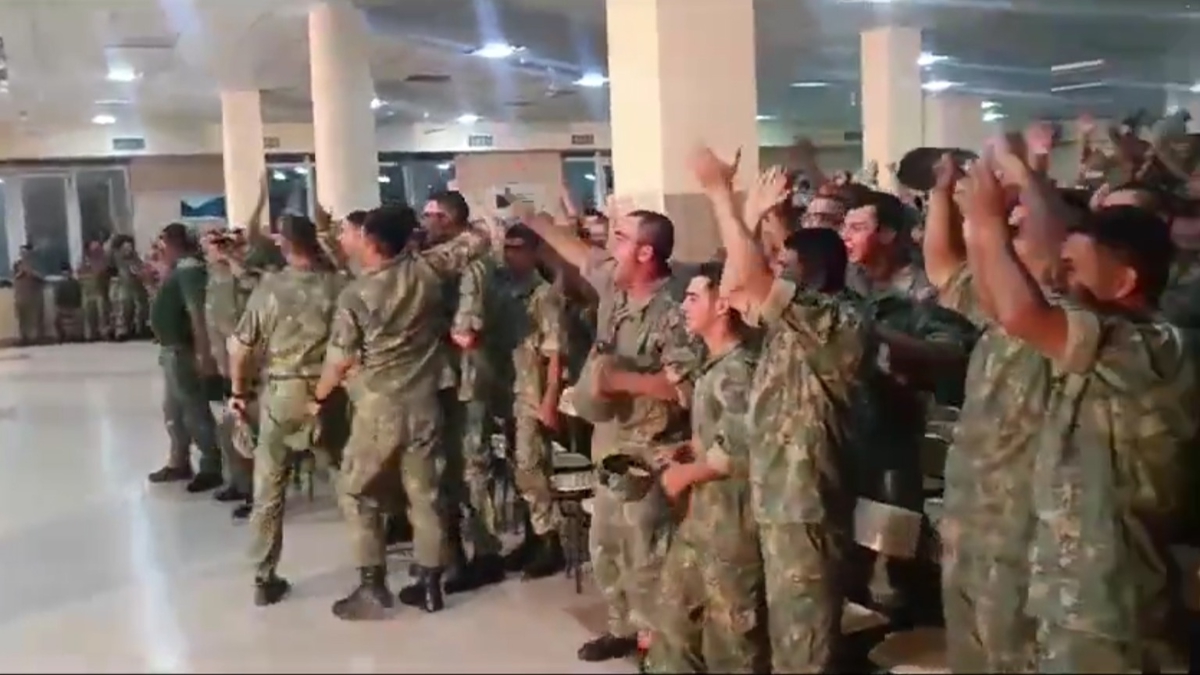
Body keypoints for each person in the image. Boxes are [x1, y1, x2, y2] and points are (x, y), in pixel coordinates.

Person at [958, 158, 1194, 671]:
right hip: (1067, 591)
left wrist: (989, 222)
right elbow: (1003, 307)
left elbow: (1022, 312)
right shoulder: (1093, 339)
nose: (1060, 280)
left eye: (1074, 269)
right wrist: (981, 224)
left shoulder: (1156, 348)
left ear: (1124, 280)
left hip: (1117, 602)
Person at [693, 147, 863, 672]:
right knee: (765, 633)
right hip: (773, 498)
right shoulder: (791, 324)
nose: (776, 274)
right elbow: (733, 290)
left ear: (814, 274)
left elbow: (753, 282)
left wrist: (721, 195)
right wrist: (747, 214)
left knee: (803, 649)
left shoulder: (836, 321)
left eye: (787, 268)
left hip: (806, 508)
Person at [523, 204, 703, 663]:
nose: (609, 245)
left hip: (652, 449)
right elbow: (582, 255)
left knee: (648, 550)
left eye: (620, 238)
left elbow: (684, 388)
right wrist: (538, 222)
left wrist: (620, 380)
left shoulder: (674, 312)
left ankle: (660, 640)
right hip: (611, 443)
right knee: (605, 544)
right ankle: (623, 626)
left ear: (645, 253)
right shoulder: (616, 287)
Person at [922, 138, 1072, 672]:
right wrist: (943, 195)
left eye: (1020, 227)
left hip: (1023, 527)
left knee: (1012, 654)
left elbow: (1049, 252)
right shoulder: (993, 303)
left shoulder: (1065, 316)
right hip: (971, 518)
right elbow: (942, 266)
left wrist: (1022, 176)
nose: (1008, 235)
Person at [310, 205, 490, 621]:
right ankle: (430, 585)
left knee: (357, 492)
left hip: (379, 407)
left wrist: (318, 398)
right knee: (425, 494)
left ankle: (372, 586)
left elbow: (339, 360)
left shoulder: (356, 295)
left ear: (370, 241)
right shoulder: (427, 270)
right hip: (425, 401)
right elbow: (478, 240)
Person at [644, 262, 767, 674]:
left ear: (722, 306)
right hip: (702, 525)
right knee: (673, 625)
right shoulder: (714, 365)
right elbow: (715, 436)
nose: (684, 306)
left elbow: (739, 450)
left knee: (732, 643)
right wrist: (685, 450)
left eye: (694, 298)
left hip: (733, 530)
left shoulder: (738, 371)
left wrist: (683, 476)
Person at [228, 214, 346, 607]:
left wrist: (238, 392)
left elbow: (240, 348)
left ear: (283, 245)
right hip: (330, 394)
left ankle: (264, 577)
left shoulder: (270, 289)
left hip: (281, 394)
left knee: (269, 487)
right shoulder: (338, 286)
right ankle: (372, 569)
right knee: (348, 482)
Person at [423, 190, 507, 593]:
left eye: (431, 215)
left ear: (448, 218)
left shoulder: (472, 266)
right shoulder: (451, 260)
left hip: (468, 378)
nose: (425, 222)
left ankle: (486, 553)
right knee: (456, 468)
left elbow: (467, 332)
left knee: (474, 466)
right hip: (453, 377)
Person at [478, 223, 567, 578]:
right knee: (515, 466)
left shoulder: (543, 296)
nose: (511, 255)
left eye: (519, 248)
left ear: (533, 253)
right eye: (508, 248)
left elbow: (556, 353)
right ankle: (533, 536)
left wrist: (550, 398)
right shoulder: (501, 289)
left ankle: (550, 541)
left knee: (532, 466)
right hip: (506, 389)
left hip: (532, 391)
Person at [145, 223, 224, 494]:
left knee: (194, 410)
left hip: (184, 351)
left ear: (173, 243)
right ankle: (178, 461)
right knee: (173, 412)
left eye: (162, 245)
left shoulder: (190, 270)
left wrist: (203, 353)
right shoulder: (178, 270)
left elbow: (196, 313)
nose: (159, 251)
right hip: (171, 350)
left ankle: (211, 465)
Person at [109, 235, 149, 340]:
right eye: (125, 248)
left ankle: (139, 329)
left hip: (135, 286)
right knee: (123, 306)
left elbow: (140, 268)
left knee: (139, 307)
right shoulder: (117, 257)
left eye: (129, 247)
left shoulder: (135, 258)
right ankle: (121, 331)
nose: (128, 250)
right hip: (124, 285)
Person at [77, 241, 112, 341]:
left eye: (98, 249)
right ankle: (90, 335)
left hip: (100, 292)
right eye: (95, 249)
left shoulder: (104, 262)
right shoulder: (84, 263)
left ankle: (104, 333)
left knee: (102, 313)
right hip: (87, 292)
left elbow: (106, 276)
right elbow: (79, 276)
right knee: (88, 314)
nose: (97, 251)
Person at [12, 245, 45, 345]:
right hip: (21, 298)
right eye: (22, 253)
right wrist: (21, 272)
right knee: (23, 320)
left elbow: (42, 278)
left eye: (26, 253)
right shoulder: (17, 264)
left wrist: (32, 273)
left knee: (35, 319)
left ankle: (37, 338)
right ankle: (24, 338)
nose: (24, 255)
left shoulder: (37, 263)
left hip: (34, 297)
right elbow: (14, 277)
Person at [52, 264, 84, 343]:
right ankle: (62, 335)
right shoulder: (61, 284)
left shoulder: (74, 283)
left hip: (73, 307)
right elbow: (57, 298)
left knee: (78, 318)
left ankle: (75, 336)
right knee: (56, 321)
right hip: (64, 307)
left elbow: (78, 296)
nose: (66, 274)